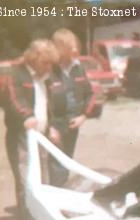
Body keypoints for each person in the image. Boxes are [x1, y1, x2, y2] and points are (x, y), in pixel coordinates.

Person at [4, 39, 59, 220]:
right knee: (28, 184)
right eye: (46, 63)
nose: (49, 67)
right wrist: (26, 115)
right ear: (35, 59)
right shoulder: (17, 74)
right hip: (22, 139)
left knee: (43, 182)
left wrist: (50, 124)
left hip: (41, 138)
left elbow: (47, 103)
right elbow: (14, 99)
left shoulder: (45, 77)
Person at [48, 28, 100, 186]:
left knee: (65, 163)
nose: (75, 50)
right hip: (53, 125)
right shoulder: (49, 69)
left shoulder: (78, 68)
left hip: (72, 123)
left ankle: (60, 196)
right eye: (71, 47)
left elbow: (90, 94)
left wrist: (83, 117)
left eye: (75, 46)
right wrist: (50, 127)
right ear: (60, 48)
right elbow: (41, 100)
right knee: (54, 165)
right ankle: (53, 198)